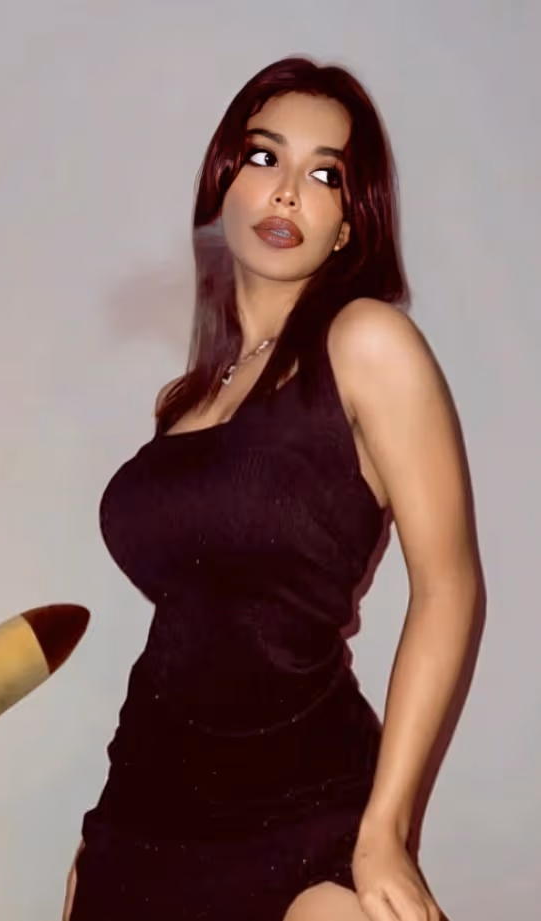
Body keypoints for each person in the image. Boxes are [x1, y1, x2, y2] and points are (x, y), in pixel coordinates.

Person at [63, 56, 478, 921]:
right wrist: (91, 847)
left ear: (349, 227)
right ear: (224, 185)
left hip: (306, 812)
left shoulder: (367, 342)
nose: (287, 190)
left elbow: (448, 587)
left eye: (325, 175)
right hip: (138, 809)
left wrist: (386, 829)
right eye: (264, 157)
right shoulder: (188, 398)